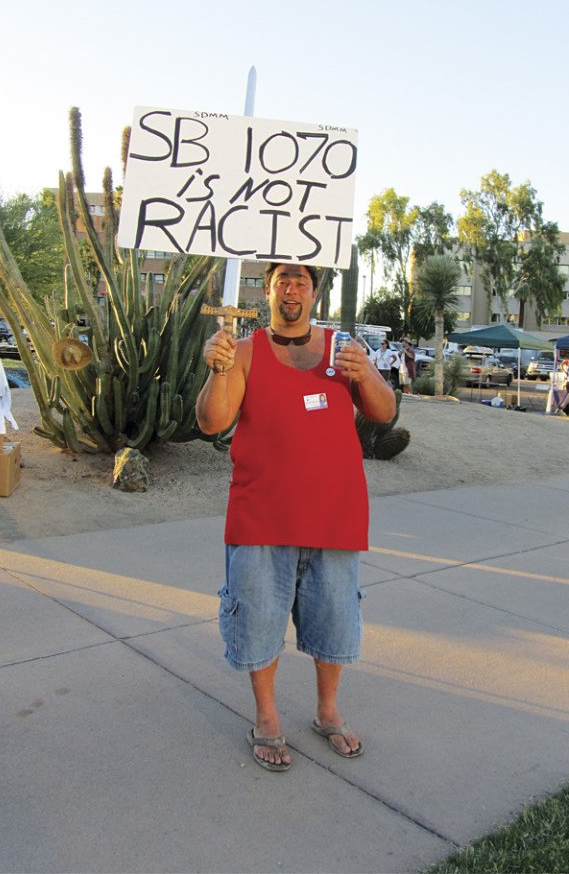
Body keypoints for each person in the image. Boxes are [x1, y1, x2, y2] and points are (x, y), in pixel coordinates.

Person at [195, 263, 395, 773]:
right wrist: (217, 369)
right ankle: (266, 718)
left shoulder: (340, 352)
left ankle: (327, 712)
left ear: (313, 292)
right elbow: (212, 421)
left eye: (301, 281)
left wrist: (367, 372)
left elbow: (383, 412)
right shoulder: (241, 352)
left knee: (334, 620)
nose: (291, 289)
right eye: (282, 280)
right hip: (262, 515)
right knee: (259, 622)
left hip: (334, 517)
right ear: (267, 292)